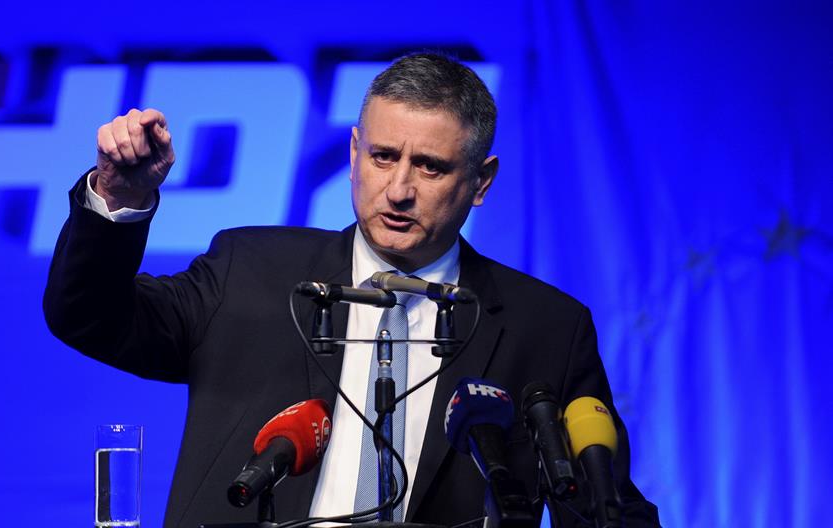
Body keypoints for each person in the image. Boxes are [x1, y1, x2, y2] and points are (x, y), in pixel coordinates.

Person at [44, 52, 660, 527]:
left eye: (430, 166)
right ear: (355, 152)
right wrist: (119, 196)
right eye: (384, 157)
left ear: (481, 181)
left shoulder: (544, 328)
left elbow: (603, 506)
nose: (399, 190)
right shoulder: (250, 270)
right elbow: (89, 317)